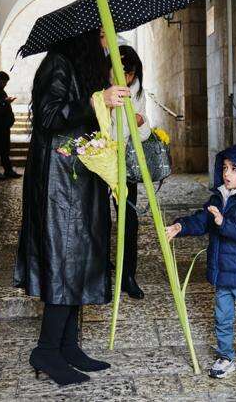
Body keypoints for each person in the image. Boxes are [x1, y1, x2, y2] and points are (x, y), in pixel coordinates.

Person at [14, 28, 130, 386]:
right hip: (59, 184)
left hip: (78, 177)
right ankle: (47, 350)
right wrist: (96, 100)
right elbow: (49, 116)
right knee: (65, 260)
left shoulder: (79, 68)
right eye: (102, 36)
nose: (108, 43)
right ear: (84, 36)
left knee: (78, 259)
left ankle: (67, 346)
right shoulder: (58, 64)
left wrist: (105, 103)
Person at [166, 143, 236, 384]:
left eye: (234, 169)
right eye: (225, 167)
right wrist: (180, 226)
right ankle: (226, 357)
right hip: (223, 273)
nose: (227, 173)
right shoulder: (219, 197)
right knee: (222, 317)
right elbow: (202, 220)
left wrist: (223, 222)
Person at [109, 45, 151, 300]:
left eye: (130, 72)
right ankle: (102, 269)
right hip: (100, 158)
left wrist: (139, 121)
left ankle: (128, 276)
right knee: (99, 218)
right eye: (121, 71)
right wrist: (127, 120)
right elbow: (106, 130)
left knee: (129, 218)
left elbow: (144, 131)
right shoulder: (102, 91)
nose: (126, 77)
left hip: (125, 164)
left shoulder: (137, 92)